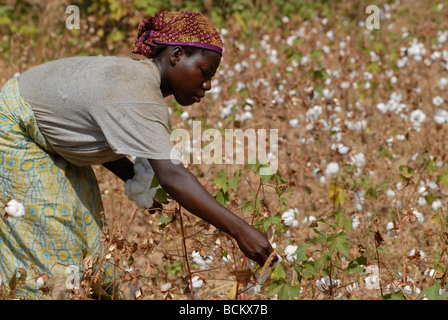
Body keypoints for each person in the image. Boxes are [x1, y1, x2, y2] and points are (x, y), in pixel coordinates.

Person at [0, 10, 276, 299]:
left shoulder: (137, 77)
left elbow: (90, 132)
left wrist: (135, 178)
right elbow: (172, 176)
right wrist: (240, 231)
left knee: (89, 242)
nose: (207, 85)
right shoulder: (139, 91)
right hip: (16, 132)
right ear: (177, 55)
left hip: (51, 139)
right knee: (55, 257)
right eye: (204, 73)